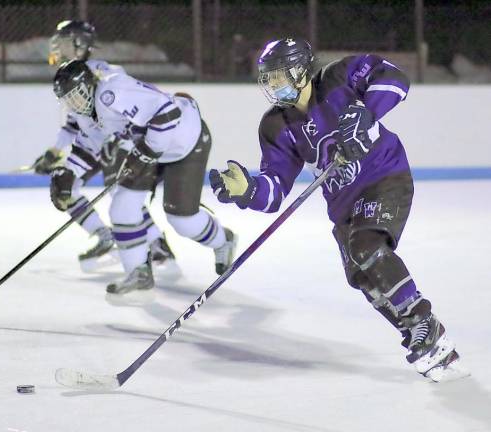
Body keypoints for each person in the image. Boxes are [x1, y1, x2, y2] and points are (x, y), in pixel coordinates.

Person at [209, 37, 469, 382]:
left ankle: (424, 322)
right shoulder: (275, 126)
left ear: (300, 70)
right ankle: (427, 343)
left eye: (277, 75)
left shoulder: (339, 78)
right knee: (363, 277)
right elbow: (273, 192)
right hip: (343, 204)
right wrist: (248, 189)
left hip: (385, 174)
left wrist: (366, 111)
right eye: (267, 79)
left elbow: (394, 77)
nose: (272, 85)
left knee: (366, 248)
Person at [50, 59, 237, 299]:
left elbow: (169, 113)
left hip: (184, 142)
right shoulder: (86, 114)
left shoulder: (112, 90)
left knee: (182, 220)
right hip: (148, 148)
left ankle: (224, 241)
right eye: (68, 100)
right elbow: (90, 145)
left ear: (89, 84)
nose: (74, 104)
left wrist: (146, 152)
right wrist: (68, 173)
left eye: (76, 95)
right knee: (122, 207)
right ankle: (138, 271)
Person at [32, 20, 176, 272]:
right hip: (92, 145)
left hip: (117, 141)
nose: (58, 48)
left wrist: (124, 142)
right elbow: (73, 124)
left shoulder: (104, 71)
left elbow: (128, 107)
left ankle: (157, 243)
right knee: (67, 186)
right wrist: (55, 152)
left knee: (122, 194)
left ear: (80, 44)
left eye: (64, 42)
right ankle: (104, 235)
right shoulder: (69, 75)